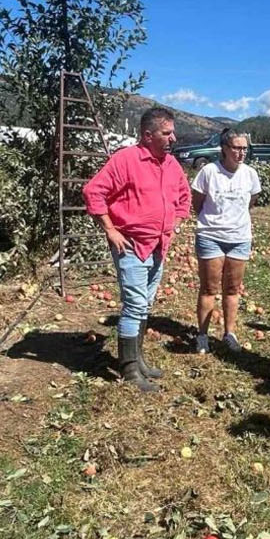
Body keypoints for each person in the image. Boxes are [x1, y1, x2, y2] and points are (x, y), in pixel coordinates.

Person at [83, 107, 191, 391]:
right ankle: (129, 371)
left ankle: (138, 360)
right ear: (147, 135)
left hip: (158, 246)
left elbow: (184, 196)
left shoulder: (171, 164)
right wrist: (110, 229)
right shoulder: (126, 160)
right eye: (167, 133)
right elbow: (93, 192)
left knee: (145, 305)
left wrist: (175, 223)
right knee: (133, 305)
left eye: (172, 132)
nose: (173, 138)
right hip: (130, 246)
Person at [189, 128, 261, 353]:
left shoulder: (250, 174)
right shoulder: (209, 172)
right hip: (211, 236)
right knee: (209, 288)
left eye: (244, 148)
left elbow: (251, 202)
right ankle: (202, 336)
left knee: (232, 289)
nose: (241, 153)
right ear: (224, 149)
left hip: (239, 238)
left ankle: (230, 334)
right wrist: (214, 221)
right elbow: (198, 203)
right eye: (237, 148)